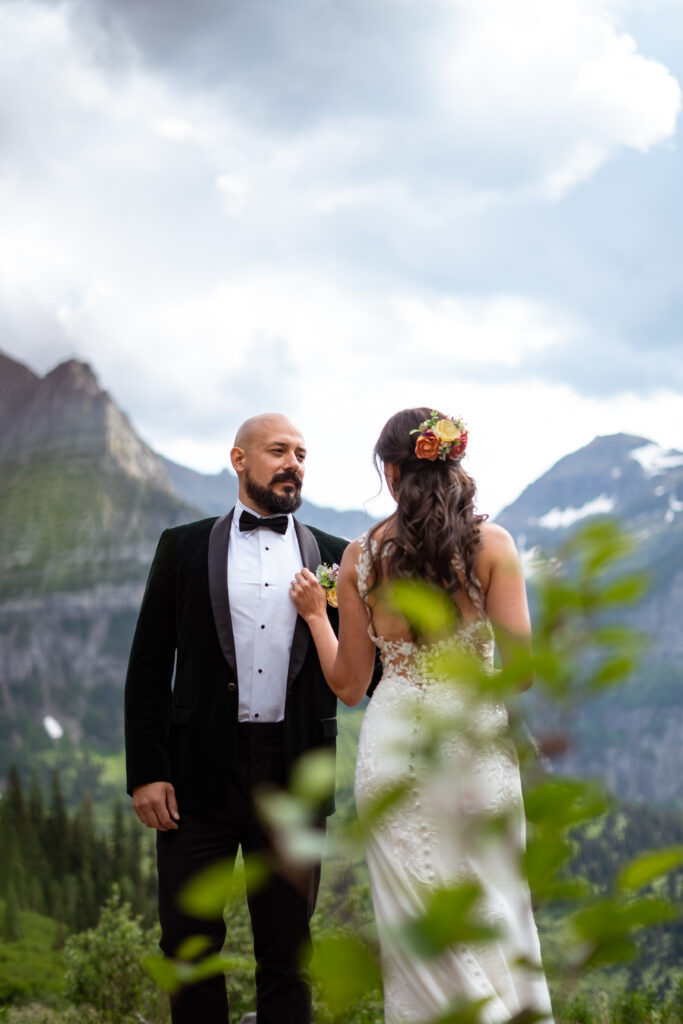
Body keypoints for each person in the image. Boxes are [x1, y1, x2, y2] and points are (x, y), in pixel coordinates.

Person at [290, 407, 555, 1024]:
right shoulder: (493, 545)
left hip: (394, 752)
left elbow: (350, 686)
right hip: (474, 745)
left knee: (411, 922)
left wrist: (313, 617)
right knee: (495, 902)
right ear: (454, 464)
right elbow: (521, 674)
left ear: (389, 471)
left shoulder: (361, 557)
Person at [125, 413, 358, 1024]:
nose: (294, 463)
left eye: (302, 453)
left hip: (294, 771)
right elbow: (149, 664)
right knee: (187, 942)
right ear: (239, 459)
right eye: (279, 450)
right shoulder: (183, 546)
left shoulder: (336, 559)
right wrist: (147, 772)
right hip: (196, 774)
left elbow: (361, 669)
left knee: (288, 950)